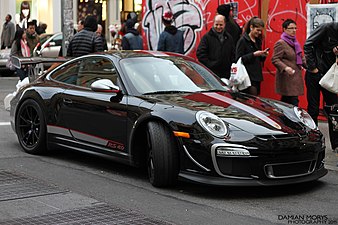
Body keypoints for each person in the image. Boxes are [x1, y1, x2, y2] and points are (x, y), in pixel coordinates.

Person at [303, 22, 338, 150]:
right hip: (315, 74)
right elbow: (308, 44)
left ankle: (336, 143)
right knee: (313, 108)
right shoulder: (327, 28)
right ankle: (314, 139)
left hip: (330, 75)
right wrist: (313, 68)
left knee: (334, 108)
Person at [271, 19, 306, 106]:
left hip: (295, 77)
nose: (294, 30)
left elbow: (300, 57)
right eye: (291, 28)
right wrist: (285, 68)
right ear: (284, 29)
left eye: (295, 28)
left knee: (287, 102)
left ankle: (284, 119)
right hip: (287, 78)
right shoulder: (281, 43)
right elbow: (275, 59)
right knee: (292, 102)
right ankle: (290, 119)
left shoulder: (295, 43)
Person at [236, 17, 268, 96]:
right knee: (251, 98)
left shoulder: (258, 41)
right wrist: (253, 54)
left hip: (256, 76)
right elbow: (239, 58)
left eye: (261, 30)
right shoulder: (243, 40)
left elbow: (259, 60)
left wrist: (263, 55)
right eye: (257, 30)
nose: (259, 33)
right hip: (246, 76)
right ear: (251, 27)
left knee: (256, 98)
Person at [196, 14, 235, 79]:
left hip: (226, 74)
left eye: (221, 25)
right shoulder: (207, 37)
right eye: (216, 24)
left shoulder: (229, 38)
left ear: (224, 24)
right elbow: (200, 54)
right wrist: (211, 64)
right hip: (211, 74)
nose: (218, 27)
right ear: (213, 24)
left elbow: (233, 53)